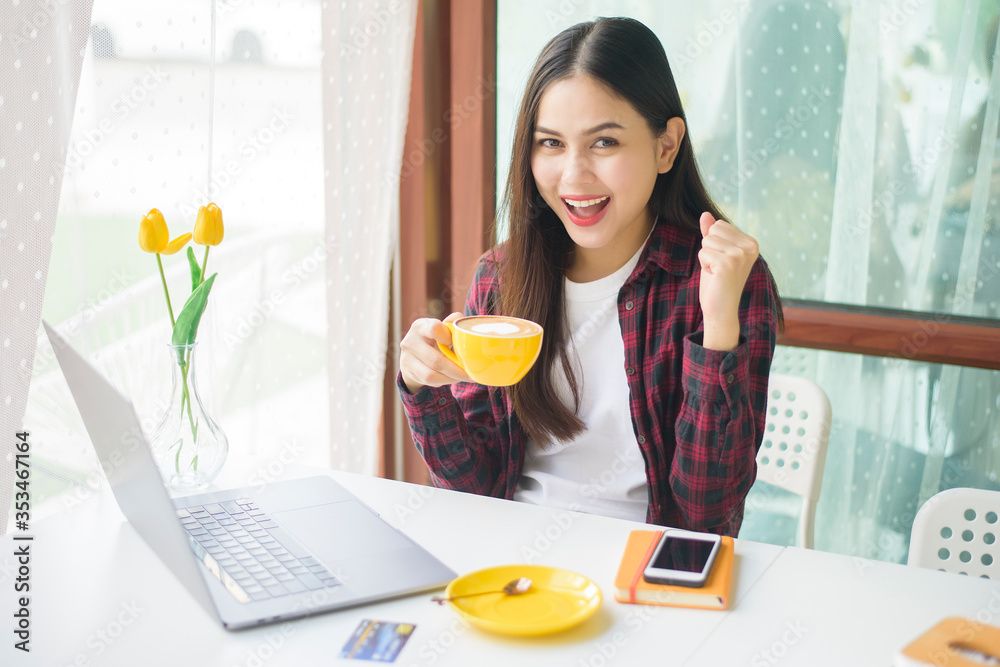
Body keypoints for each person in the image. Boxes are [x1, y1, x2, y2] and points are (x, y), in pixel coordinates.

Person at [397, 17, 781, 536]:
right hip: (516, 555)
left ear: (666, 146)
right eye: (551, 144)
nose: (573, 176)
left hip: (645, 565)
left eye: (604, 142)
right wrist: (422, 386)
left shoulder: (726, 280)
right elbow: (476, 490)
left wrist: (718, 329)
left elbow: (706, 514)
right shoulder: (501, 277)